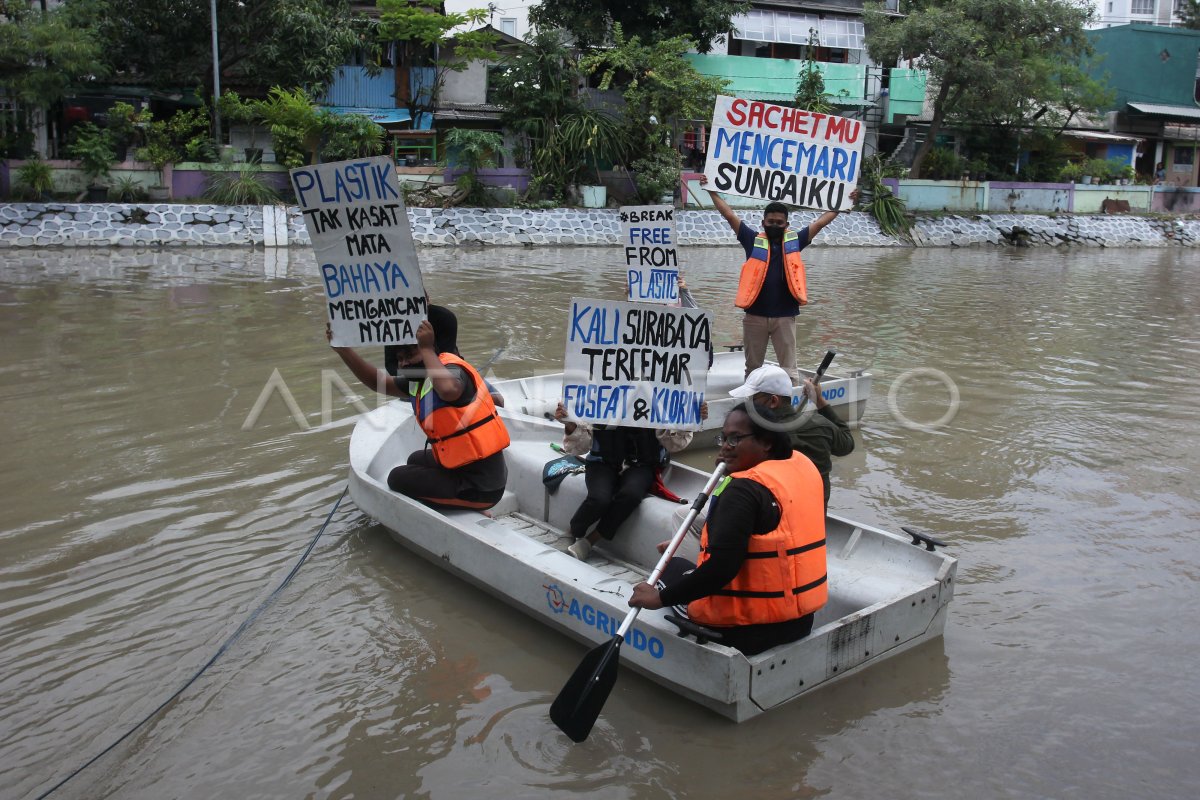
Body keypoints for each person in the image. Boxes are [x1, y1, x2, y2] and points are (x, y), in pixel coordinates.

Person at [628, 403, 828, 655]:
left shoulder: (742, 490)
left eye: (736, 439)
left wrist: (659, 599)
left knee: (673, 566)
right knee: (690, 558)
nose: (725, 446)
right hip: (800, 622)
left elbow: (721, 568)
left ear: (766, 442)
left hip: (743, 632)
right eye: (724, 438)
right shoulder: (801, 466)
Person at [328, 319, 510, 510]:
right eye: (400, 358)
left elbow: (448, 390)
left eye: (410, 355)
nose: (405, 363)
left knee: (397, 477)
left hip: (480, 487)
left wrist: (426, 348)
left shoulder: (453, 372)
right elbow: (377, 382)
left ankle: (471, 505)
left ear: (430, 349)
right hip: (465, 467)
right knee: (415, 459)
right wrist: (343, 350)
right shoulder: (419, 380)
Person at [700, 174, 858, 383]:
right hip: (755, 316)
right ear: (763, 222)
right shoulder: (752, 239)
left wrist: (843, 204)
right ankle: (752, 404)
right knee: (753, 369)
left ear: (787, 224)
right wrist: (711, 190)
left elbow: (819, 223)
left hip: (785, 317)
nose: (774, 225)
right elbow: (729, 215)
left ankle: (787, 408)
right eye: (770, 221)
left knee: (789, 368)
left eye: (779, 222)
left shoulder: (796, 241)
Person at [554, 403, 701, 561]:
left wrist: (690, 419)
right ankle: (572, 531)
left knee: (630, 494)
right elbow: (578, 448)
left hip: (642, 464)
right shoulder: (597, 395)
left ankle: (590, 541)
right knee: (598, 498)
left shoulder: (660, 398)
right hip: (602, 461)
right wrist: (570, 424)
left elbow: (675, 444)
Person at [728, 364, 854, 507]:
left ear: (774, 401)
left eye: (751, 401)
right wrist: (819, 399)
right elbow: (847, 445)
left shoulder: (758, 438)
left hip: (774, 523)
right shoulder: (821, 425)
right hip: (815, 521)